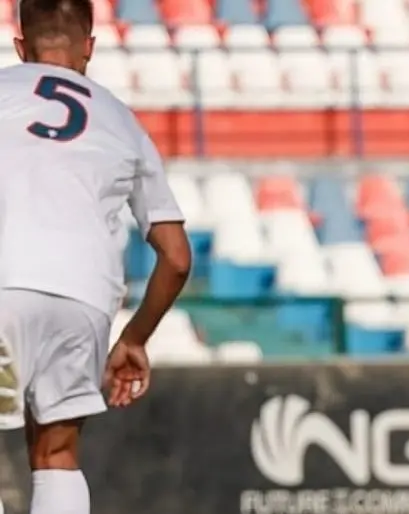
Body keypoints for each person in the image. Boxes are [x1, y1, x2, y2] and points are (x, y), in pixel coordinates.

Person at [0, 0, 191, 512]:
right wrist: (133, 339)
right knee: (56, 453)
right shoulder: (121, 120)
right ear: (90, 46)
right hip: (82, 298)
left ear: (21, 48)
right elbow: (175, 257)